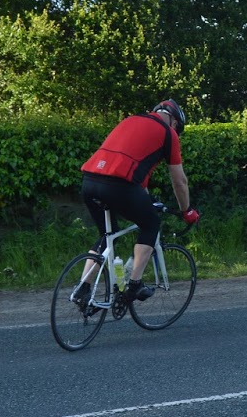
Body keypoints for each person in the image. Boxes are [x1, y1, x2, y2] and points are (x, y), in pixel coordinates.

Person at [76, 99, 199, 306]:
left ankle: (83, 289)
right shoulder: (168, 134)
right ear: (173, 121)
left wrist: (146, 200)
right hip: (119, 185)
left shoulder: (130, 120)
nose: (176, 132)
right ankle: (134, 285)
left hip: (90, 181)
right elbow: (180, 181)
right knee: (150, 224)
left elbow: (137, 178)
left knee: (107, 236)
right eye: (177, 128)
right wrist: (186, 210)